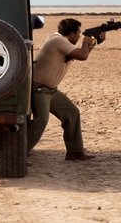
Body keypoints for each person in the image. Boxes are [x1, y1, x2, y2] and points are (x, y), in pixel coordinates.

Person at [27, 18, 100, 161]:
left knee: (72, 113)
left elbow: (80, 53)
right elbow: (82, 55)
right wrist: (86, 42)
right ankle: (19, 153)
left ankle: (75, 152)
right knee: (41, 120)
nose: (79, 37)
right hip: (39, 89)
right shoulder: (58, 41)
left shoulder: (61, 41)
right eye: (78, 33)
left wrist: (96, 41)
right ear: (71, 34)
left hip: (50, 90)